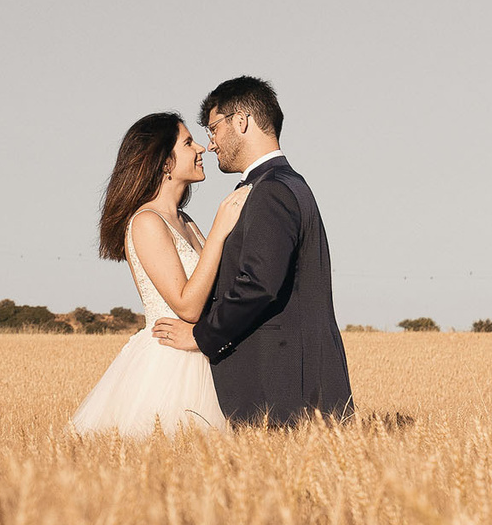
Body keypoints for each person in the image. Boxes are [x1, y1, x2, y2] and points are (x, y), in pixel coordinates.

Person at [150, 76, 353, 426]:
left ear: (241, 121)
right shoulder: (287, 184)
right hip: (293, 382)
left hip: (280, 389)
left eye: (213, 129)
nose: (210, 145)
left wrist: (201, 336)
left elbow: (258, 285)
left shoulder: (270, 191)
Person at [66, 111, 252, 437]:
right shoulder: (147, 222)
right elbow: (187, 306)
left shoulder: (186, 221)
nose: (201, 149)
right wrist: (221, 230)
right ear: (165, 162)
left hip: (201, 352)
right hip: (169, 364)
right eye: (188, 142)